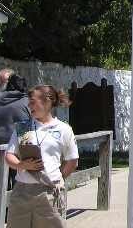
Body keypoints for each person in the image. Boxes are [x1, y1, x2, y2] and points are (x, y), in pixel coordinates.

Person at [5, 85, 78, 227]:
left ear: (47, 102)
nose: (29, 106)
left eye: (32, 102)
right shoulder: (23, 128)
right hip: (22, 192)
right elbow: (9, 156)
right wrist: (22, 166)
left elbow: (72, 161)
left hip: (49, 193)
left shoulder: (63, 129)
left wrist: (55, 180)